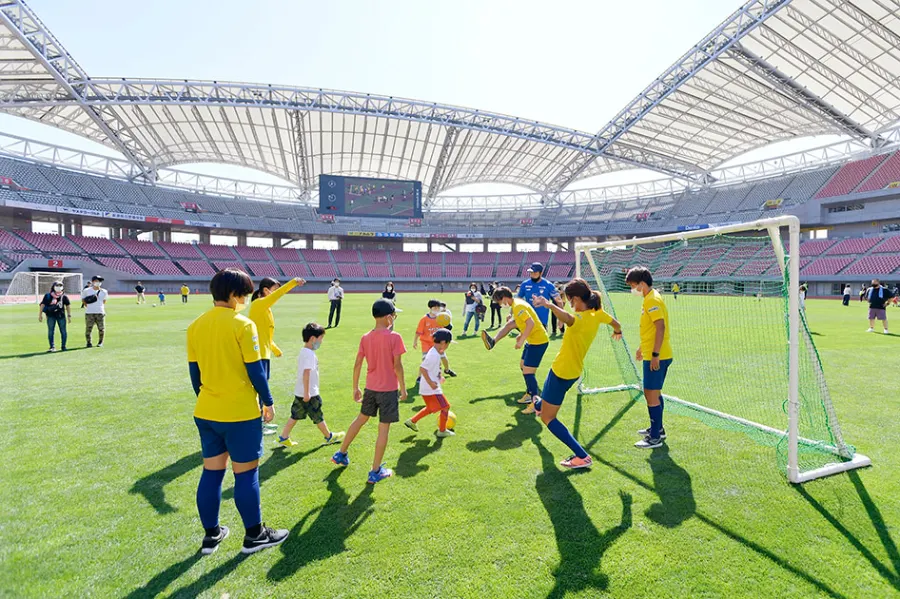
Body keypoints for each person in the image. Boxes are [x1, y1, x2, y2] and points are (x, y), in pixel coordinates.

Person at [186, 268, 289, 555]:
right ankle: (255, 536)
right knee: (246, 474)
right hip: (240, 413)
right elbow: (256, 371)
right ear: (233, 294)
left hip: (206, 410)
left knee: (212, 473)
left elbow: (195, 375)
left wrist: (209, 399)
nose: (245, 298)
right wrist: (268, 401)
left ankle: (211, 535)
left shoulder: (195, 326)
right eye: (243, 293)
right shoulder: (243, 325)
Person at [531, 279, 622, 468]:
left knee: (548, 418)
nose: (569, 303)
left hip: (561, 371)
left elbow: (567, 318)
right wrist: (617, 331)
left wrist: (549, 305)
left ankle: (582, 456)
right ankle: (539, 404)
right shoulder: (597, 314)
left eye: (569, 299)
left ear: (576, 298)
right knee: (544, 404)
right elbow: (616, 323)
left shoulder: (579, 318)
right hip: (572, 372)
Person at [331, 299, 408, 484]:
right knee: (383, 430)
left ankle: (341, 453)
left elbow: (358, 363)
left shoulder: (366, 337)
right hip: (388, 391)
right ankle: (375, 471)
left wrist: (355, 387)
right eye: (394, 315)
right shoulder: (394, 337)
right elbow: (397, 366)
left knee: (361, 419)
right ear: (389, 317)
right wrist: (403, 389)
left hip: (370, 388)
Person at [249, 276, 306, 434]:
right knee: (260, 389)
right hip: (258, 355)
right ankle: (258, 424)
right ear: (265, 290)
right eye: (273, 289)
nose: (274, 293)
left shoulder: (265, 308)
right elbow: (278, 295)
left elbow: (263, 334)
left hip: (264, 354)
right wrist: (294, 282)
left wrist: (275, 349)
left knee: (262, 389)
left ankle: (261, 421)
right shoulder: (260, 304)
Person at [626, 267, 674, 450]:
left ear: (642, 284)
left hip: (658, 356)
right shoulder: (650, 298)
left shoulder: (652, 299)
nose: (633, 289)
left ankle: (654, 438)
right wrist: (642, 348)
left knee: (650, 394)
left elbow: (660, 327)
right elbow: (651, 329)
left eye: (633, 285)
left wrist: (655, 355)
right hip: (655, 353)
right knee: (654, 393)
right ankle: (658, 429)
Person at [276, 323, 345, 448]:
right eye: (321, 338)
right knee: (317, 414)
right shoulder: (310, 355)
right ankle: (329, 436)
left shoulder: (304, 351)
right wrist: (308, 393)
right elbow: (306, 373)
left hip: (300, 392)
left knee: (295, 415)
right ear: (313, 338)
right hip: (310, 393)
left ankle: (284, 437)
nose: (321, 342)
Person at [483, 286, 550, 414]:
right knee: (523, 366)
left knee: (528, 372)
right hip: (533, 340)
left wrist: (521, 339)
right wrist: (521, 335)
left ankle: (535, 403)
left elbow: (531, 323)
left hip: (538, 341)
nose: (500, 305)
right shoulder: (516, 304)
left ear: (504, 298)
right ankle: (530, 392)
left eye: (499, 302)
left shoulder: (518, 306)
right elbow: (521, 323)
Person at [405, 329, 455, 437]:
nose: (448, 346)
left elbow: (435, 368)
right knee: (445, 407)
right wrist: (431, 382)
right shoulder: (433, 355)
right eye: (448, 343)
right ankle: (442, 431)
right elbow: (423, 368)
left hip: (428, 388)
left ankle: (412, 421)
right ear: (443, 342)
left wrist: (439, 376)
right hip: (431, 388)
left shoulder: (436, 352)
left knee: (430, 408)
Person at [517, 263, 563, 329]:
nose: (532, 275)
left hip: (542, 323)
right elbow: (518, 300)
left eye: (535, 273)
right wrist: (511, 314)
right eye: (531, 273)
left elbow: (559, 302)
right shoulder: (524, 284)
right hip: (528, 321)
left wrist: (561, 319)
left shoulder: (548, 285)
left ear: (541, 273)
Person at [39, 280, 71, 352]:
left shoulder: (64, 296)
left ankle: (63, 346)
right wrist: (40, 314)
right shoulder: (48, 295)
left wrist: (69, 315)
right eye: (57, 286)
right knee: (51, 331)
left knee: (63, 331)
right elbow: (42, 304)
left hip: (61, 315)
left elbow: (68, 305)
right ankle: (52, 346)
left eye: (60, 286)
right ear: (53, 287)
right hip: (50, 316)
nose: (59, 287)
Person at [81, 276, 108, 348]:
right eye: (96, 281)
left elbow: (104, 301)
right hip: (89, 312)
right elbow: (83, 300)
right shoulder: (86, 290)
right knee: (88, 328)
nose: (98, 282)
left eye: (99, 281)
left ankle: (100, 342)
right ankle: (88, 342)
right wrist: (88, 306)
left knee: (101, 328)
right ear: (93, 282)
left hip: (100, 312)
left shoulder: (104, 291)